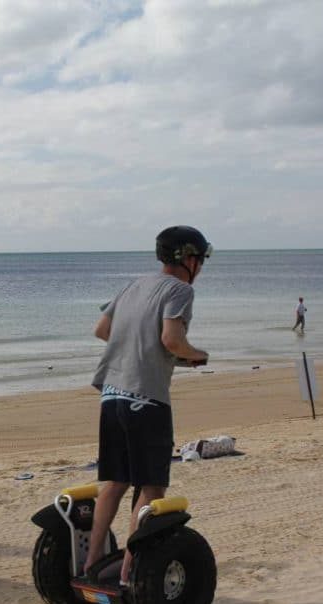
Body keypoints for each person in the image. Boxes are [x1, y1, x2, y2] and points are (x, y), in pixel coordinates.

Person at [84, 225, 211, 585]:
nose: (200, 267)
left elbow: (102, 330)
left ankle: (91, 563)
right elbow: (172, 339)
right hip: (147, 401)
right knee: (152, 487)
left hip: (111, 395)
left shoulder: (133, 286)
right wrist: (196, 355)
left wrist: (141, 346)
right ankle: (129, 570)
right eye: (199, 259)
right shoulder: (181, 290)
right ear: (188, 259)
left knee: (115, 481)